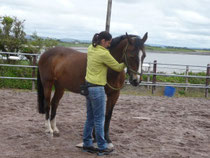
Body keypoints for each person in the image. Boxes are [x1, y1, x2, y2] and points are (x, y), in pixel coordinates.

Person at [83, 31, 126, 156]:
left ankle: (87, 143)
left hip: (87, 87)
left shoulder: (91, 48)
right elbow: (118, 68)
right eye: (108, 42)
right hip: (97, 89)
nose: (109, 45)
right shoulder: (104, 54)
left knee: (90, 118)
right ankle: (102, 146)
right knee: (99, 119)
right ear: (103, 41)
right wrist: (125, 62)